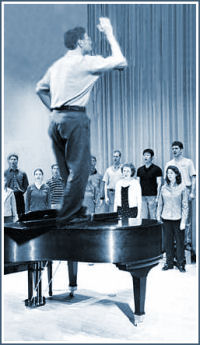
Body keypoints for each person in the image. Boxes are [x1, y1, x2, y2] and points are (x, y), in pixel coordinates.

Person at [36, 18, 127, 225]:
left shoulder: (57, 66)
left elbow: (40, 89)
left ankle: (72, 213)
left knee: (67, 174)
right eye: (87, 38)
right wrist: (109, 32)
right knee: (81, 170)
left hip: (56, 121)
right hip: (75, 118)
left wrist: (54, 110)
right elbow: (121, 61)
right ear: (79, 42)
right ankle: (66, 219)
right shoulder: (86, 62)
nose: (90, 41)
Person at [164, 141, 196, 250]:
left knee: (186, 218)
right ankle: (174, 242)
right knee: (172, 217)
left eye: (176, 148)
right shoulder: (169, 163)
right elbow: (166, 180)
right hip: (172, 192)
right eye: (173, 148)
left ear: (181, 150)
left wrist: (192, 192)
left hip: (185, 190)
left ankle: (186, 242)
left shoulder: (188, 162)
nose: (174, 150)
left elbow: (193, 177)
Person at [157, 165, 188, 272]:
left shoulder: (182, 187)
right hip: (166, 218)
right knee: (167, 242)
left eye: (171, 173)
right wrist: (158, 216)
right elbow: (160, 204)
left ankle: (180, 263)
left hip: (178, 218)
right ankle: (169, 263)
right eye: (168, 173)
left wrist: (183, 221)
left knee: (180, 242)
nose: (169, 175)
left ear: (176, 174)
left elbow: (185, 206)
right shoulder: (163, 188)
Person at [137, 149, 162, 219]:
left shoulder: (157, 169)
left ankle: (154, 230)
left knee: (153, 217)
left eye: (148, 155)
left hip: (152, 196)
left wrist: (157, 197)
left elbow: (159, 184)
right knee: (143, 217)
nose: (146, 157)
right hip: (142, 197)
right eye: (144, 155)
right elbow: (137, 184)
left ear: (152, 157)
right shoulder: (139, 170)